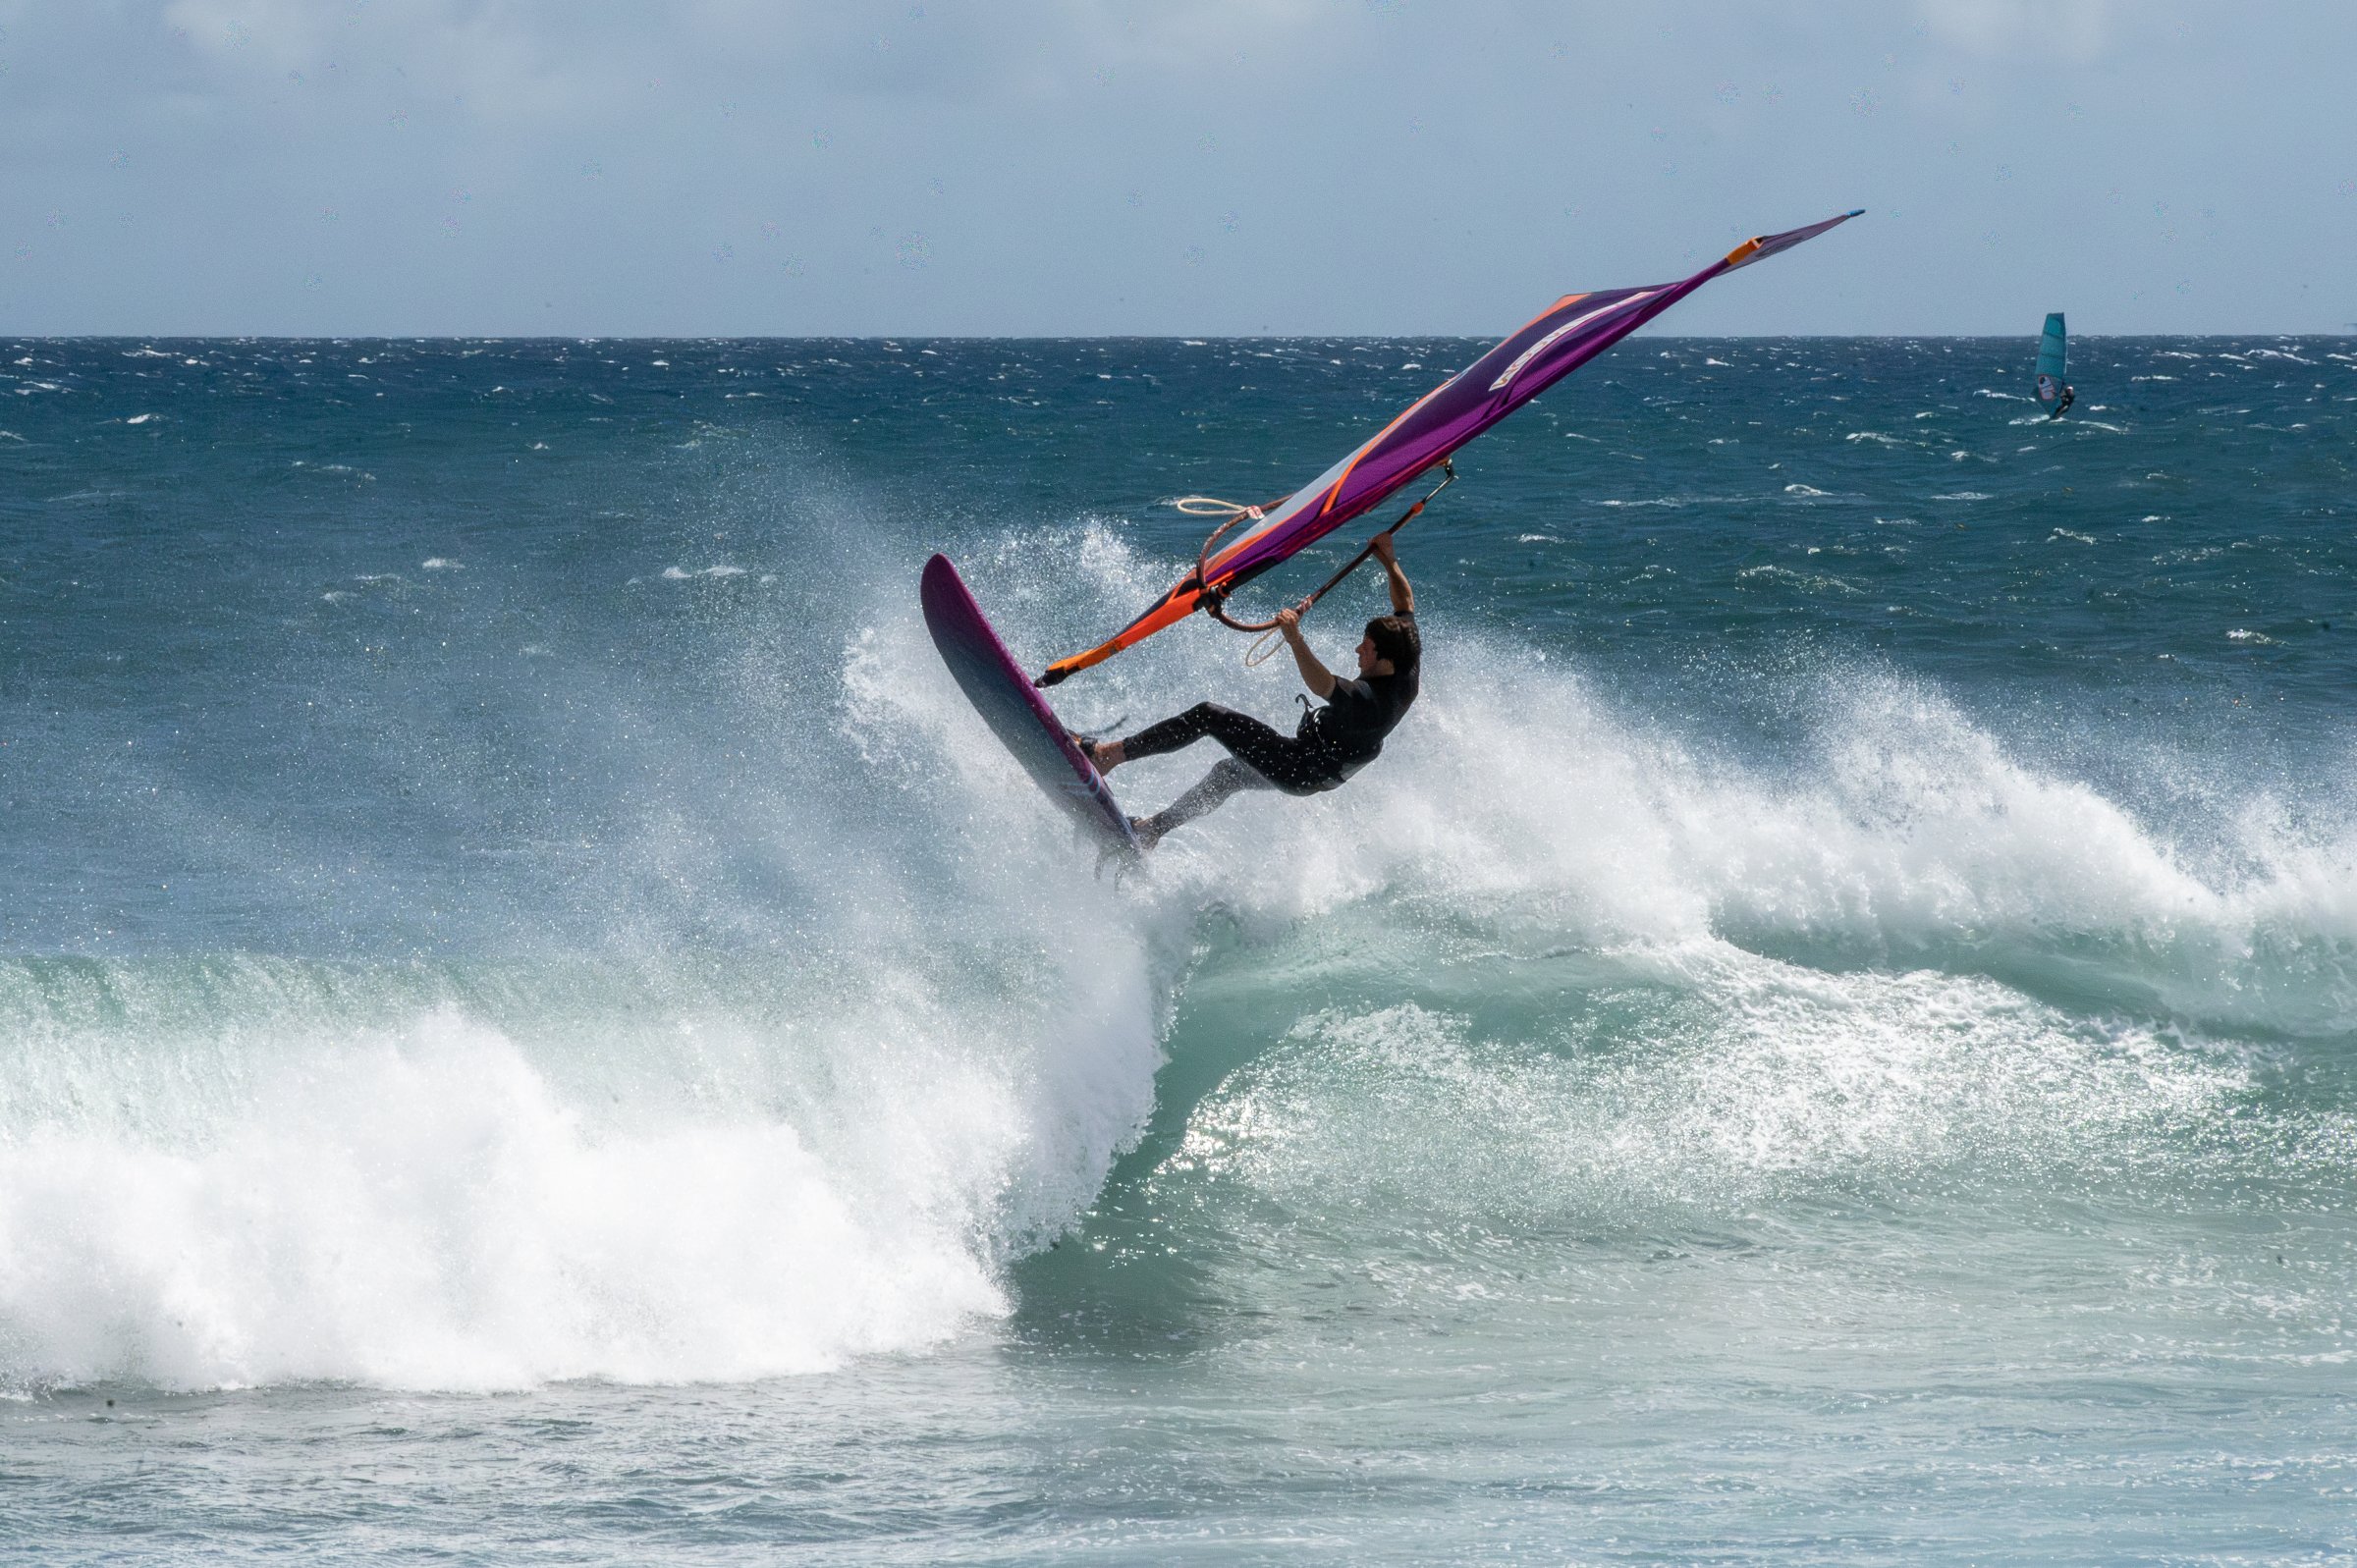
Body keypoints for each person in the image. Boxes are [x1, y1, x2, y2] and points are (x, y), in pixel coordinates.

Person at [1085, 534, 1419, 849]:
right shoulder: (1406, 659)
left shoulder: (1370, 702)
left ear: (1385, 659)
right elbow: (1405, 604)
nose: (1357, 649)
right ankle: (1151, 831)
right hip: (1317, 769)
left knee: (1209, 716)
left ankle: (1108, 755)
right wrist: (1389, 560)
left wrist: (1294, 638)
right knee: (1228, 774)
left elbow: (1323, 685)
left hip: (1300, 769)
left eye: (1367, 647)